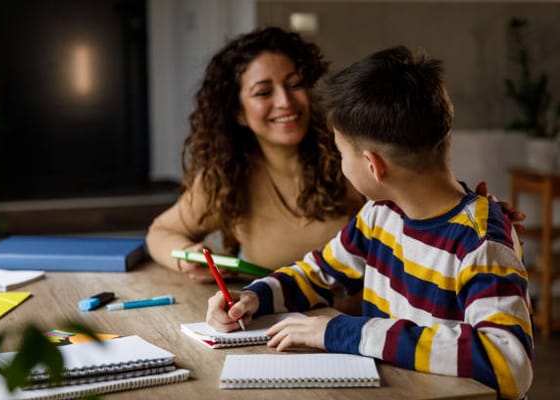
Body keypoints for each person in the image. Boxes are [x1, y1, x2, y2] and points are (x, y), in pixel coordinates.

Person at [206, 46, 533, 399]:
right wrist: (253, 298)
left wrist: (342, 332)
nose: (341, 163)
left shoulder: (481, 242)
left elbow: (508, 361)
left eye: (341, 153)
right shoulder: (380, 216)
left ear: (373, 165)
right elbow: (316, 274)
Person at [145, 26, 524, 287]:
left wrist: (477, 217)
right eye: (264, 92)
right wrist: (187, 257)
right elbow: (160, 234)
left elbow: (426, 201)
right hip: (277, 325)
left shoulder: (354, 161)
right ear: (238, 113)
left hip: (366, 333)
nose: (285, 102)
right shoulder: (226, 176)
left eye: (295, 85)